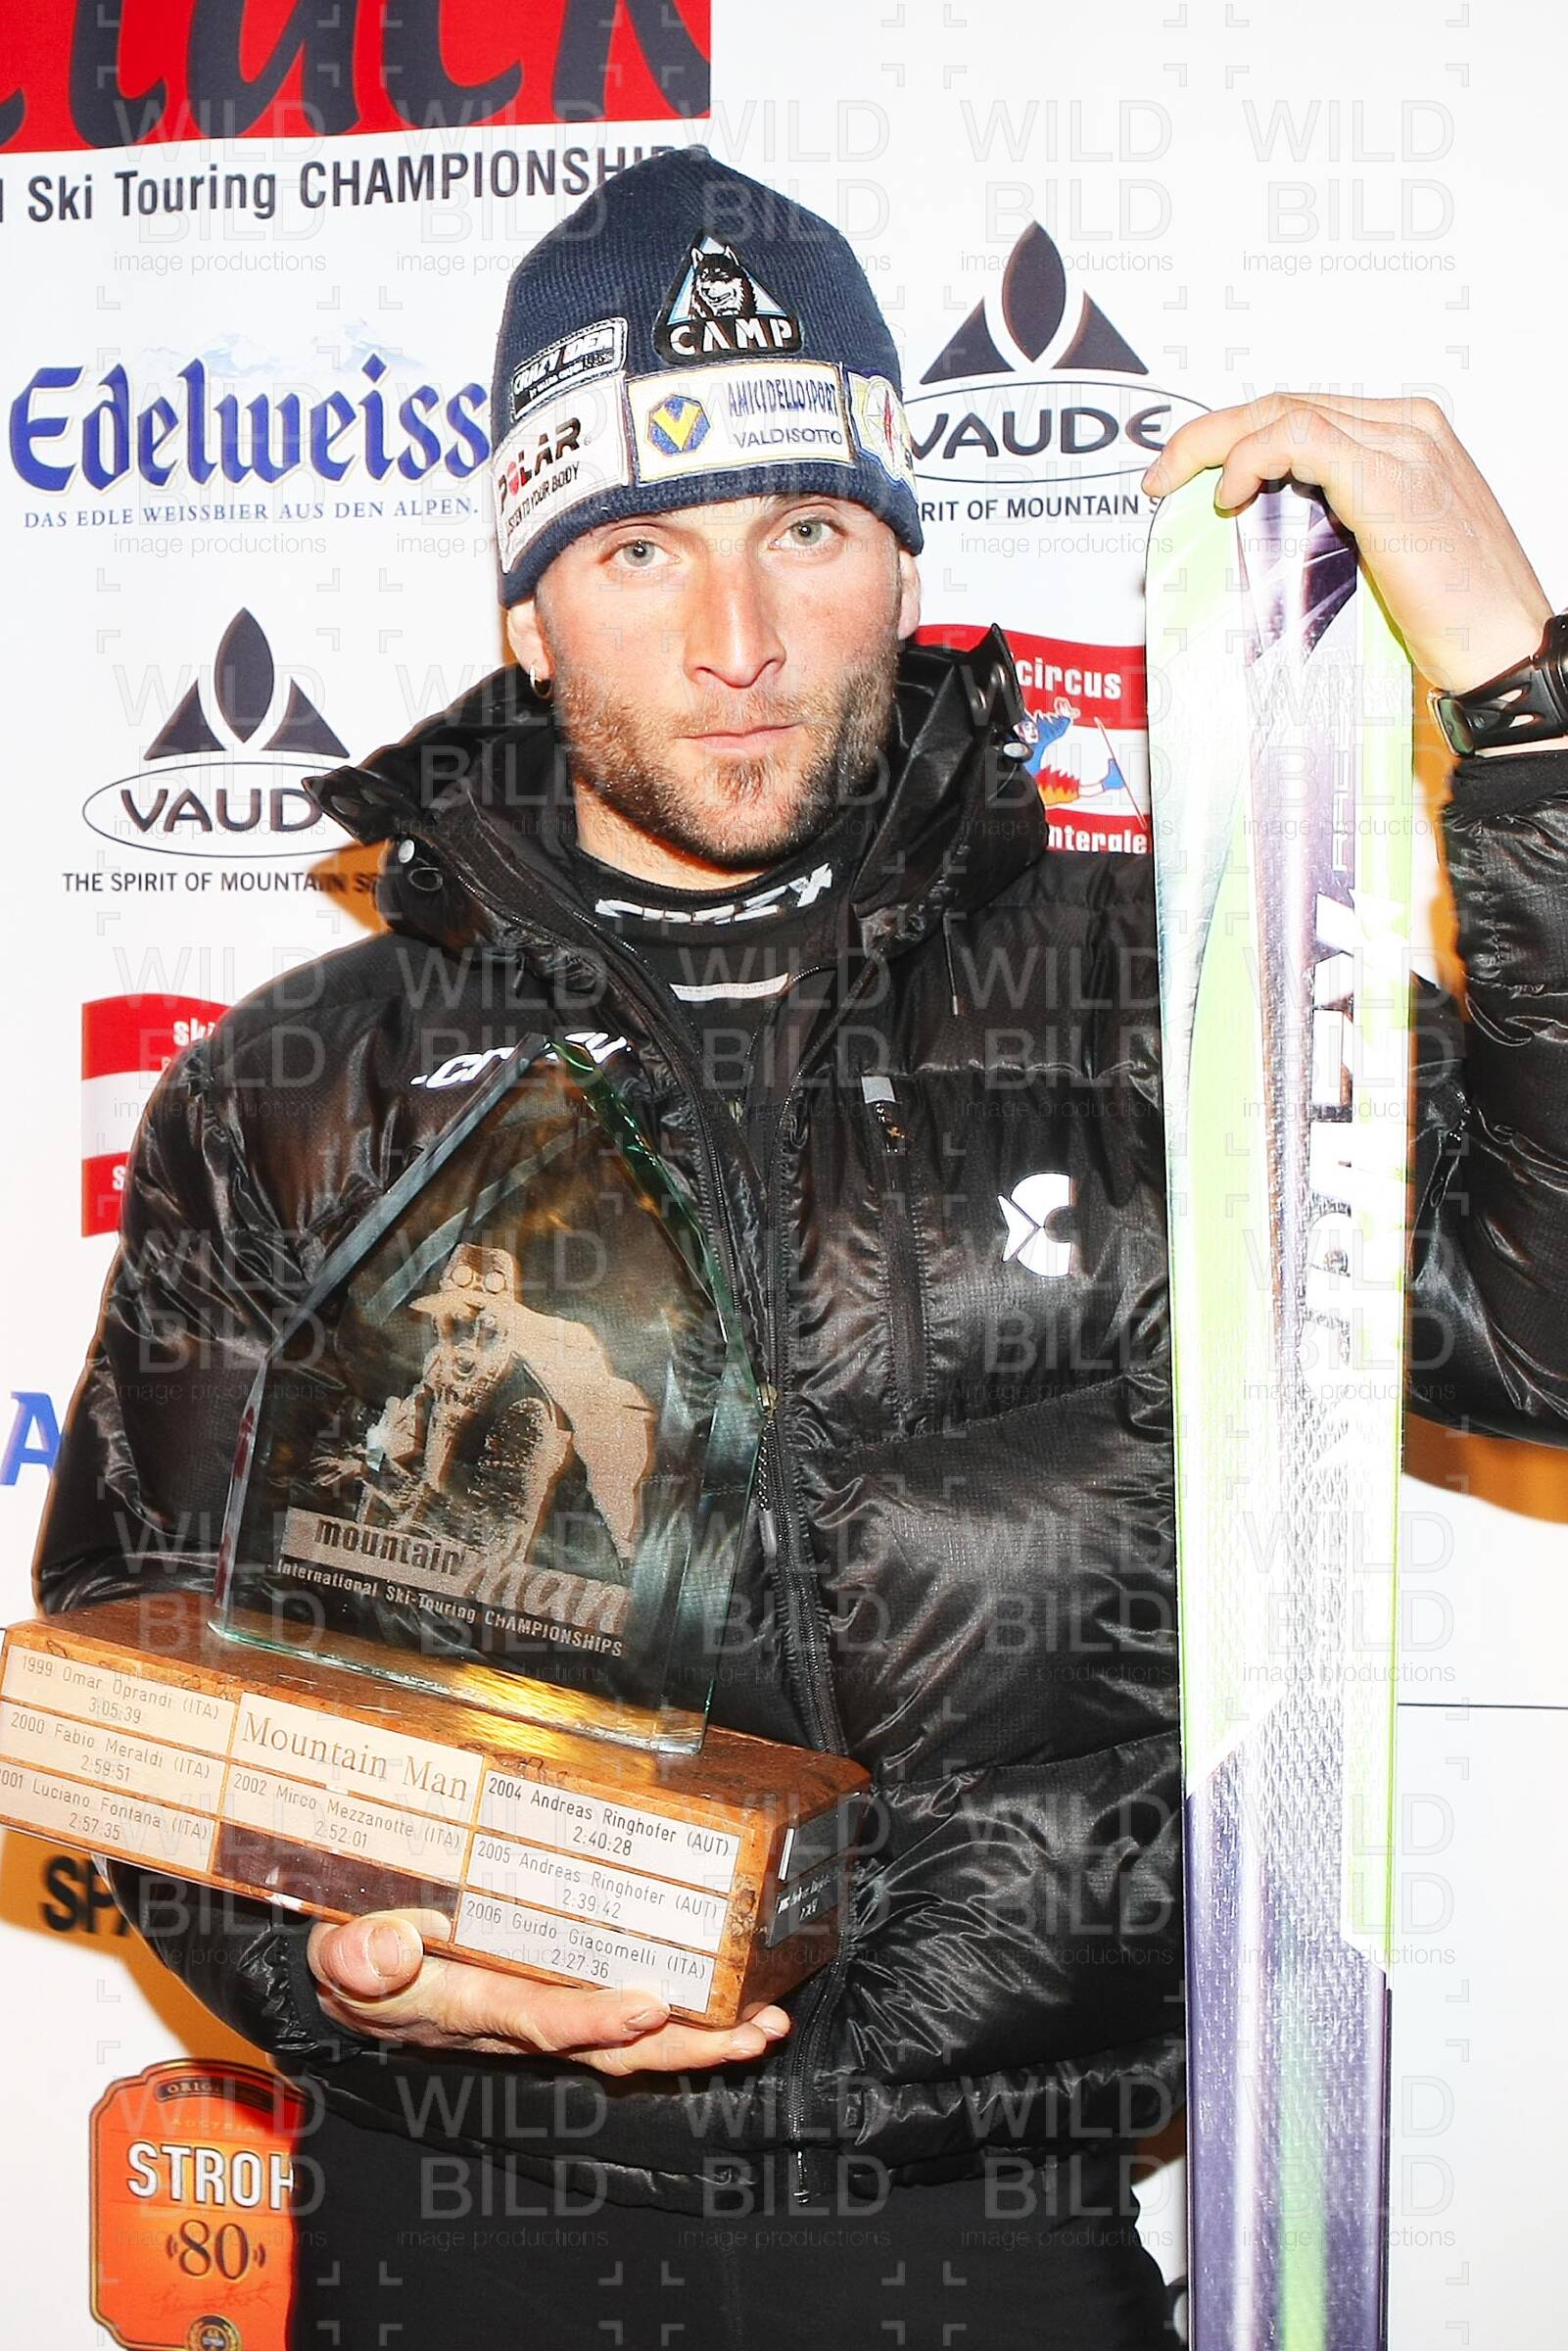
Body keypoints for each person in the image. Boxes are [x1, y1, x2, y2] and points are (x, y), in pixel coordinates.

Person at [33, 145, 1568, 2348]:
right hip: (452, 2212)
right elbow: (132, 1659)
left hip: (978, 2230)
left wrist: (1526, 704)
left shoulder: (1168, 991)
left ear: (903, 557)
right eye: (639, 548)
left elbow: (1541, 1332)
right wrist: (343, 1968)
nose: (736, 641)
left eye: (804, 531)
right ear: (525, 607)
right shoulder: (300, 1082)